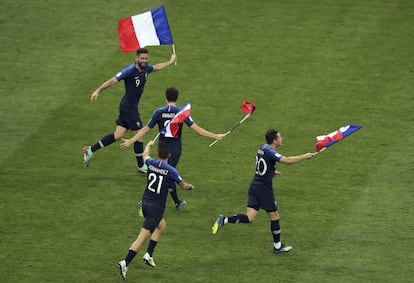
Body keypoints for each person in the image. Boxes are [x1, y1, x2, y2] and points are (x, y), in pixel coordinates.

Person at [120, 87, 225, 210]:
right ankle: (165, 201)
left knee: (164, 172)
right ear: (177, 98)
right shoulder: (181, 113)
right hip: (175, 149)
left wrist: (131, 141)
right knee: (167, 173)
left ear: (165, 98)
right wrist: (215, 136)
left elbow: (145, 130)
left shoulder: (158, 112)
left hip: (162, 147)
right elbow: (197, 130)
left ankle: (173, 202)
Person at [211, 129, 314, 254]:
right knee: (274, 216)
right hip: (264, 189)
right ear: (274, 141)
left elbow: (262, 164)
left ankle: (224, 220)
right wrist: (305, 156)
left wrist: (271, 172)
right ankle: (277, 247)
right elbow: (286, 160)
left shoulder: (262, 148)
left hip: (254, 186)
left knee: (250, 218)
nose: (282, 139)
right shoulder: (271, 152)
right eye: (280, 137)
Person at [83, 48, 177, 173]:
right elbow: (112, 80)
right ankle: (140, 165)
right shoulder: (129, 71)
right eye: (142, 58)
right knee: (140, 135)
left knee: (118, 135)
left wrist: (170, 61)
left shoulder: (146, 68)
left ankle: (90, 150)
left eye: (146, 58)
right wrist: (98, 90)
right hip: (129, 108)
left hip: (129, 106)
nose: (144, 61)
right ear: (136, 58)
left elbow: (157, 67)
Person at [118, 140, 194, 280]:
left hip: (145, 204)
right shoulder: (171, 170)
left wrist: (149, 144)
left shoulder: (151, 163)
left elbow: (145, 155)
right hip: (156, 209)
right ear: (169, 155)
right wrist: (190, 187)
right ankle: (125, 262)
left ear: (158, 154)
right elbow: (183, 186)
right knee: (141, 238)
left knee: (162, 225)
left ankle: (149, 255)